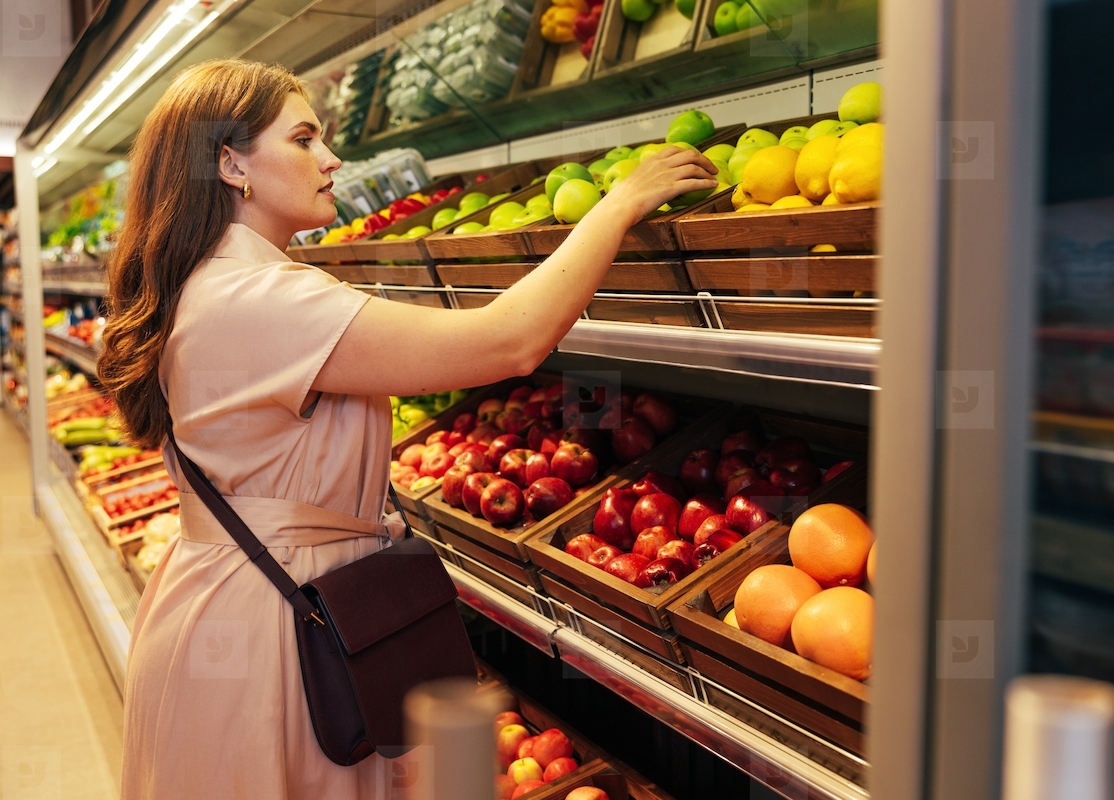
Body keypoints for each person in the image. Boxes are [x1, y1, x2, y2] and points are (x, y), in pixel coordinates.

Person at [97, 59, 716, 799]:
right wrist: (616, 206)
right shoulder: (257, 298)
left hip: (245, 603)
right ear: (232, 164)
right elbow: (508, 342)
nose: (331, 159)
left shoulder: (211, 285)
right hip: (281, 628)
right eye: (303, 138)